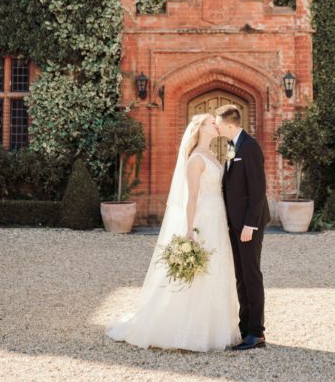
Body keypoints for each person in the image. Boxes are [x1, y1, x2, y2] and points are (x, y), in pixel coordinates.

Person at [105, 113, 242, 352]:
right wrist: (189, 230)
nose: (216, 125)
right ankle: (186, 329)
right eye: (212, 122)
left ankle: (214, 328)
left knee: (217, 267)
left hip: (217, 218)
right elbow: (190, 199)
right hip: (204, 218)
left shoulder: (212, 154)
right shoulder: (195, 160)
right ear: (200, 128)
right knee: (199, 271)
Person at [215, 104, 270, 350]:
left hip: (249, 224)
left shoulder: (250, 147)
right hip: (234, 223)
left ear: (229, 123)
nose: (215, 127)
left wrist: (250, 225)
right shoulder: (230, 146)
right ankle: (244, 327)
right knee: (240, 277)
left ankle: (257, 333)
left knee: (251, 275)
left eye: (217, 123)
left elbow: (258, 192)